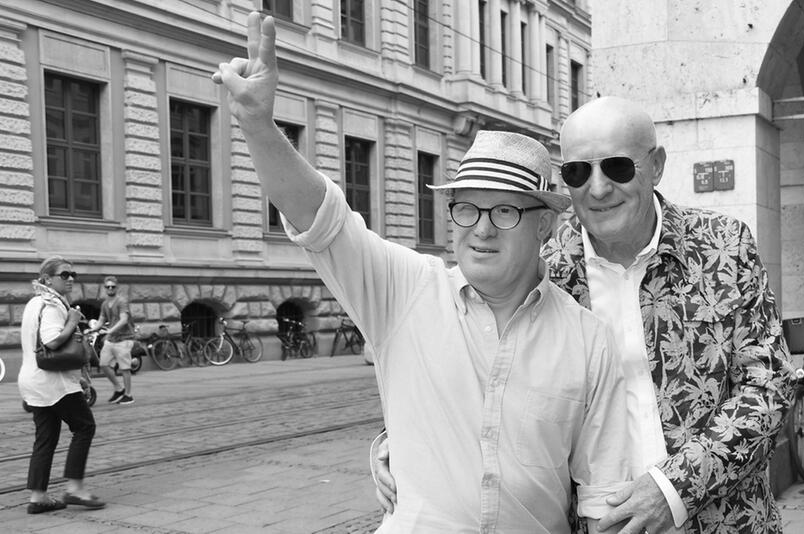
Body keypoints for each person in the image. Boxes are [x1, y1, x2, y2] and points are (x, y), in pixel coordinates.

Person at [213, 13, 633, 533]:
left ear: (544, 225)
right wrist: (258, 126)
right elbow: (322, 220)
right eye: (466, 209)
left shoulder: (587, 340)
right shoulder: (406, 291)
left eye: (504, 211)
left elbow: (604, 495)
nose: (480, 230)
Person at [373, 96, 795, 533]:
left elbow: (770, 386)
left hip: (724, 520)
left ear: (657, 165)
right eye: (577, 172)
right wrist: (398, 445)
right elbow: (477, 376)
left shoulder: (723, 247)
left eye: (617, 167)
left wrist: (672, 490)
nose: (597, 189)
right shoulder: (540, 265)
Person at [18, 257, 106, 514]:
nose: (70, 278)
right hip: (52, 383)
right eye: (64, 274)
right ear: (46, 279)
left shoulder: (34, 303)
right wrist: (72, 319)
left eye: (72, 274)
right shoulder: (53, 303)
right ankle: (75, 489)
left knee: (45, 438)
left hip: (33, 380)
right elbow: (53, 341)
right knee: (85, 427)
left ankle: (38, 497)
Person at [95, 275, 135, 405]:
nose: (110, 288)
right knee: (103, 364)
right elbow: (101, 319)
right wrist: (93, 329)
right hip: (111, 339)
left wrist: (110, 330)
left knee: (125, 368)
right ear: (104, 288)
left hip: (124, 338)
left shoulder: (122, 301)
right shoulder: (105, 304)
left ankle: (128, 395)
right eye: (108, 287)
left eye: (113, 286)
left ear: (117, 287)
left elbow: (124, 319)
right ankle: (119, 388)